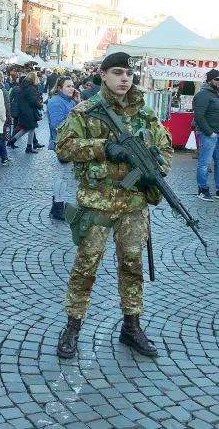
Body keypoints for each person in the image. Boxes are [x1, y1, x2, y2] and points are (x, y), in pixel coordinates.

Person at [55, 52, 173, 359]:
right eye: (118, 73)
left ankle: (131, 327)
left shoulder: (145, 114)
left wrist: (156, 170)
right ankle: (72, 327)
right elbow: (64, 147)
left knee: (132, 267)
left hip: (133, 206)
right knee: (85, 267)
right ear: (104, 75)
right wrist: (103, 147)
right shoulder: (87, 111)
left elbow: (165, 147)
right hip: (97, 204)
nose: (124, 79)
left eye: (129, 74)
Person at [47, 76, 80, 220]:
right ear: (59, 88)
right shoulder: (55, 102)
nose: (72, 88)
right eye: (68, 86)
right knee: (62, 176)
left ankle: (57, 204)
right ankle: (58, 206)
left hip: (70, 142)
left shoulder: (70, 101)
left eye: (73, 86)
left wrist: (78, 103)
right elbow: (58, 124)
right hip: (62, 143)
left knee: (64, 176)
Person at [193, 69, 219, 201]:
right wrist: (210, 133)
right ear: (210, 80)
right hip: (208, 134)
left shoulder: (216, 94)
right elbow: (198, 116)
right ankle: (202, 190)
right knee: (204, 163)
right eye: (217, 79)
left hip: (216, 134)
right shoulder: (203, 94)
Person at [8, 71, 43, 154]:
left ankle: (12, 141)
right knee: (31, 128)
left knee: (26, 128)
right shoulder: (31, 88)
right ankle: (29, 147)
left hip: (23, 110)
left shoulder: (22, 87)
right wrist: (40, 106)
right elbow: (33, 101)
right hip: (29, 111)